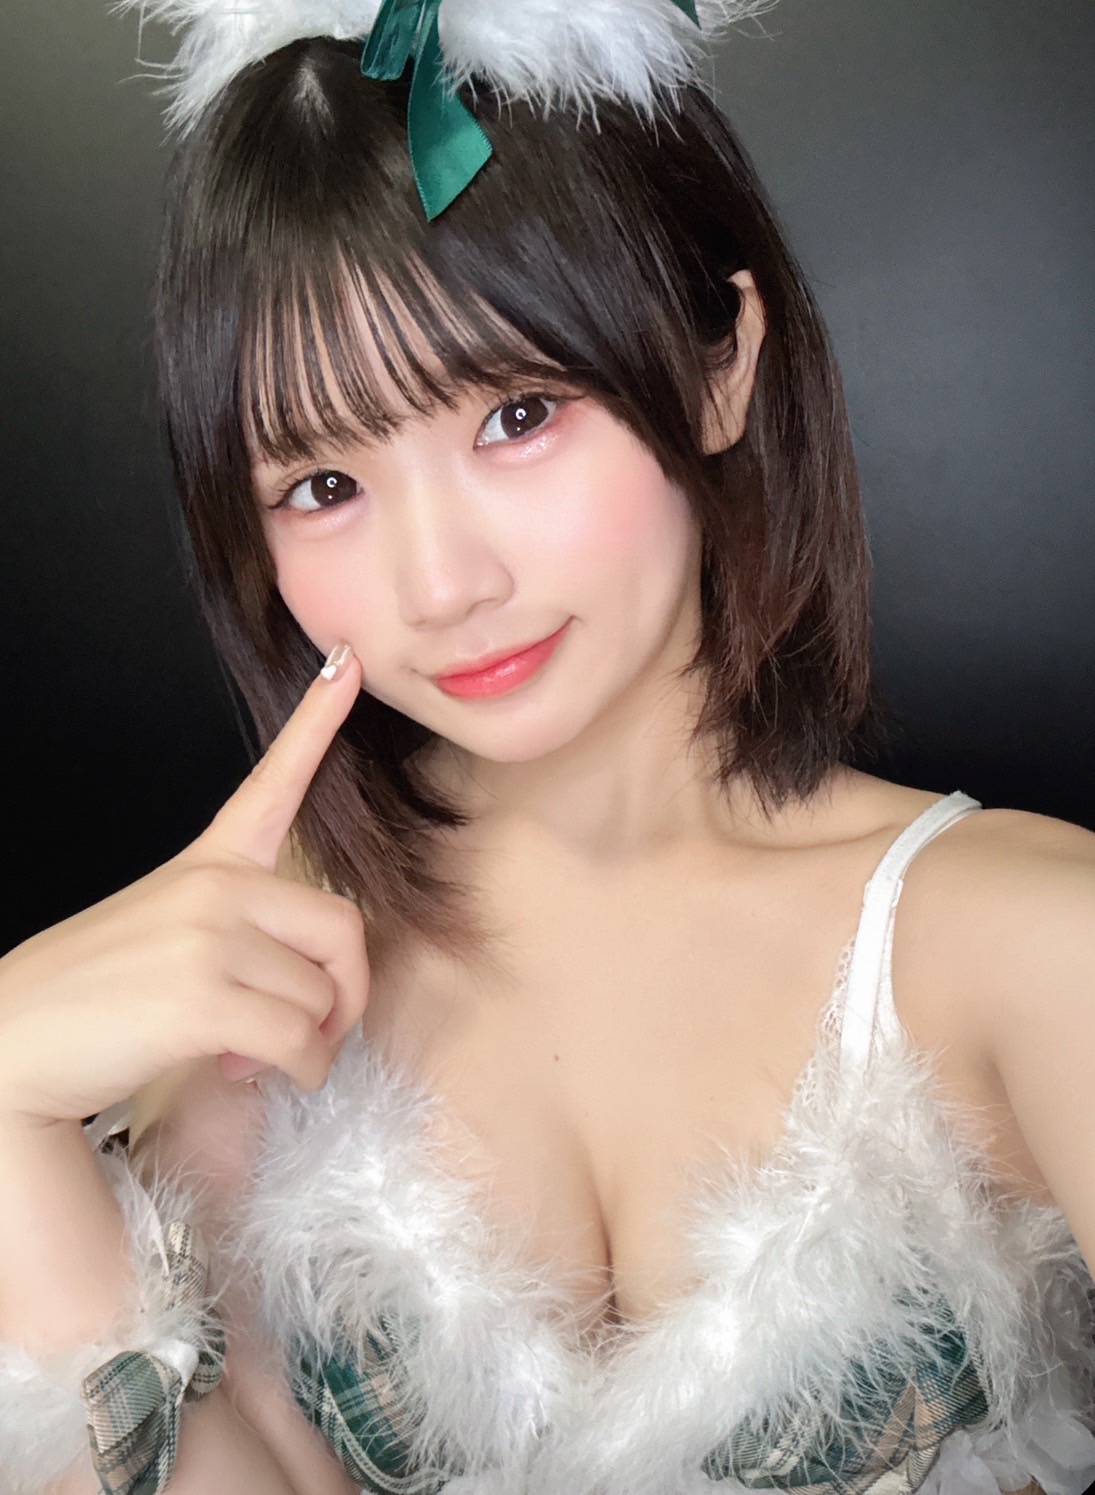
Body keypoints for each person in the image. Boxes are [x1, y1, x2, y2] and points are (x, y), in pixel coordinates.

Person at [0, 3, 1093, 1493]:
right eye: (324, 485)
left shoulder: (1033, 946)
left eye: (517, 415)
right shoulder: (259, 968)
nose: (442, 584)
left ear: (718, 364)